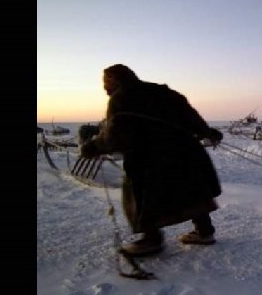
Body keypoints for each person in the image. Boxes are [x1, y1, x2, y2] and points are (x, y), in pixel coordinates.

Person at [81, 64, 223, 256]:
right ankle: (205, 232)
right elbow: (191, 118)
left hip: (149, 158)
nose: (104, 88)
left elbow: (116, 135)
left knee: (140, 196)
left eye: (106, 82)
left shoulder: (121, 98)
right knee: (191, 189)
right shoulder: (164, 92)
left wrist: (92, 147)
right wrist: (208, 132)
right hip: (186, 151)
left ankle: (152, 240)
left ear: (115, 79)